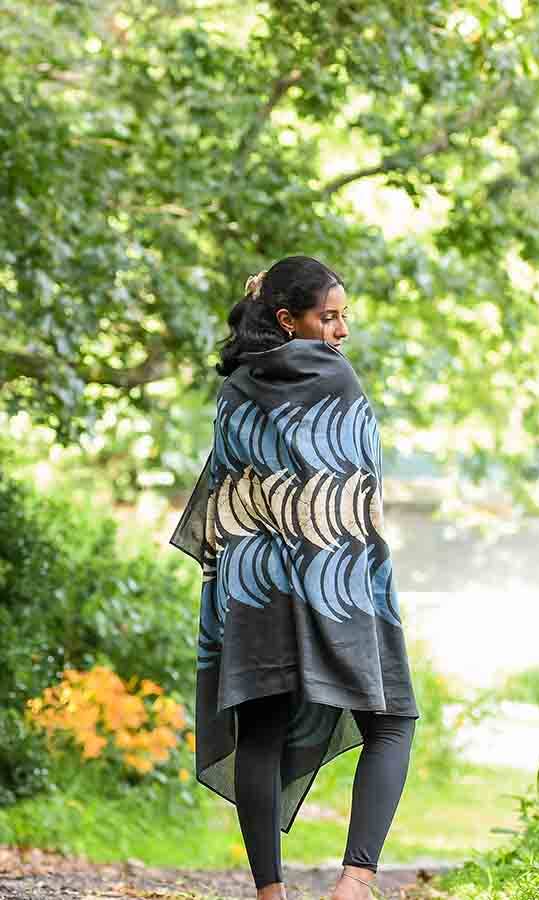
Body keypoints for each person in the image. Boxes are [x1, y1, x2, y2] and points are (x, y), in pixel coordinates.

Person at [169, 255, 420, 900]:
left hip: (254, 584)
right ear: (289, 320)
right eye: (327, 316)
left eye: (343, 318)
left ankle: (269, 893)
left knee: (262, 730)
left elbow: (226, 496)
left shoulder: (234, 391)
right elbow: (356, 491)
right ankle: (356, 879)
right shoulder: (337, 381)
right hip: (335, 577)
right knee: (392, 721)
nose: (339, 331)